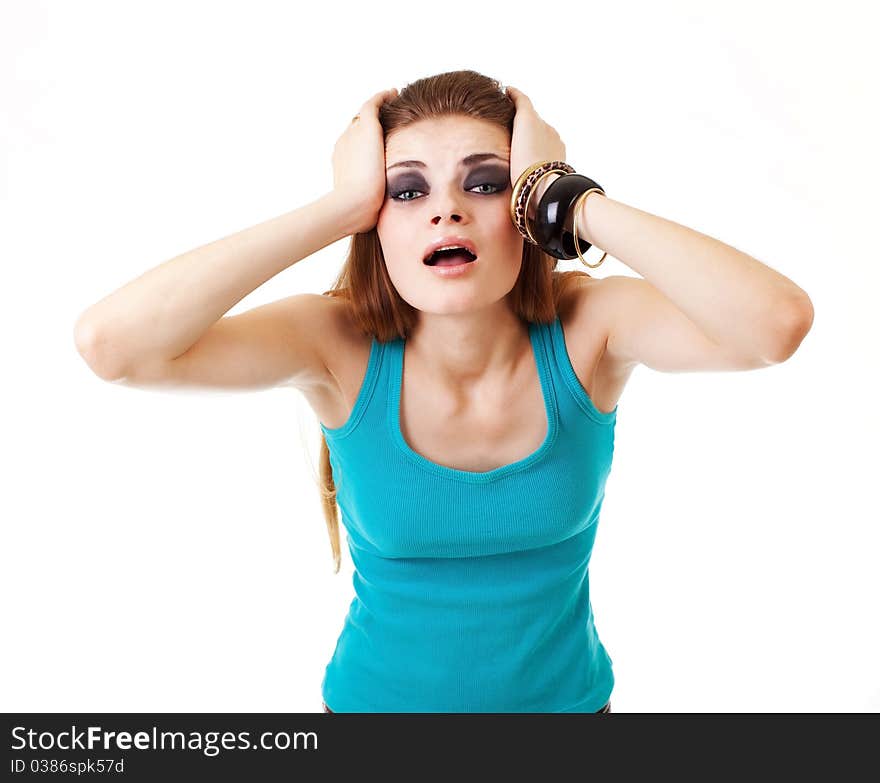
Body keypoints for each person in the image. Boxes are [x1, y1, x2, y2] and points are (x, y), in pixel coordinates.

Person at [73, 69, 814, 713]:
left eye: (488, 183)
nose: (446, 208)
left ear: (523, 212)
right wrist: (338, 207)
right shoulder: (337, 345)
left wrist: (566, 198)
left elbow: (773, 325)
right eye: (407, 189)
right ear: (377, 220)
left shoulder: (590, 329)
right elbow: (115, 346)